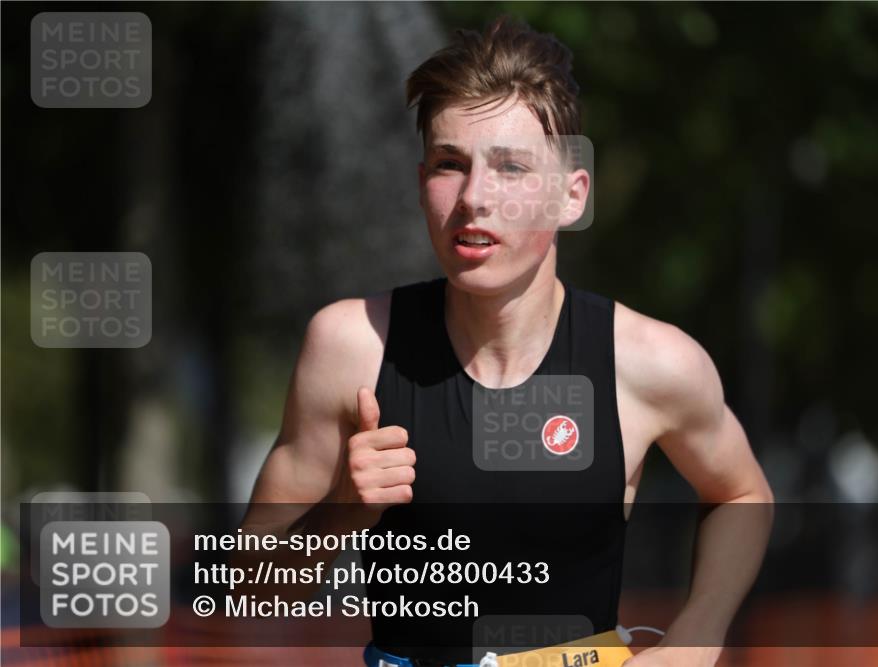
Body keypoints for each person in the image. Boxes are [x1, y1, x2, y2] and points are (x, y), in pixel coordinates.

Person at [242, 15, 773, 667]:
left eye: (510, 168)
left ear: (571, 195)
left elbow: (743, 494)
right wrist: (342, 513)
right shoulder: (352, 347)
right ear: (421, 184)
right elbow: (250, 587)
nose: (473, 199)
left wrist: (697, 638)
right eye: (449, 165)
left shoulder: (649, 363)